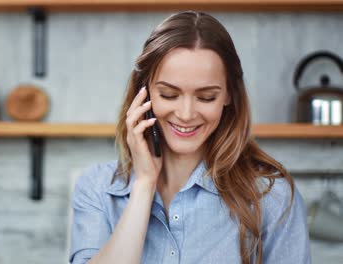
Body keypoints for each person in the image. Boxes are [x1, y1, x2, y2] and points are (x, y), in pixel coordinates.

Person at [69, 11, 311, 264]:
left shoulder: (272, 197)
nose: (186, 114)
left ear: (229, 95)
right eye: (169, 95)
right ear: (145, 93)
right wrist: (144, 185)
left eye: (206, 97)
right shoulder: (97, 189)